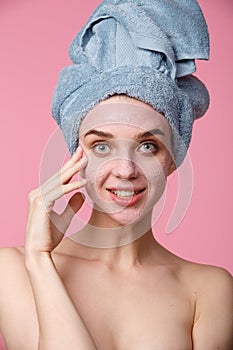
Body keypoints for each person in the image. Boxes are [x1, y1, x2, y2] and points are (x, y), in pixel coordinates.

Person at [0, 1, 232, 349]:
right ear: (77, 156)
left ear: (172, 159)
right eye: (102, 146)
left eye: (148, 145)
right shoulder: (14, 271)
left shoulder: (210, 290)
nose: (125, 170)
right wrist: (39, 258)